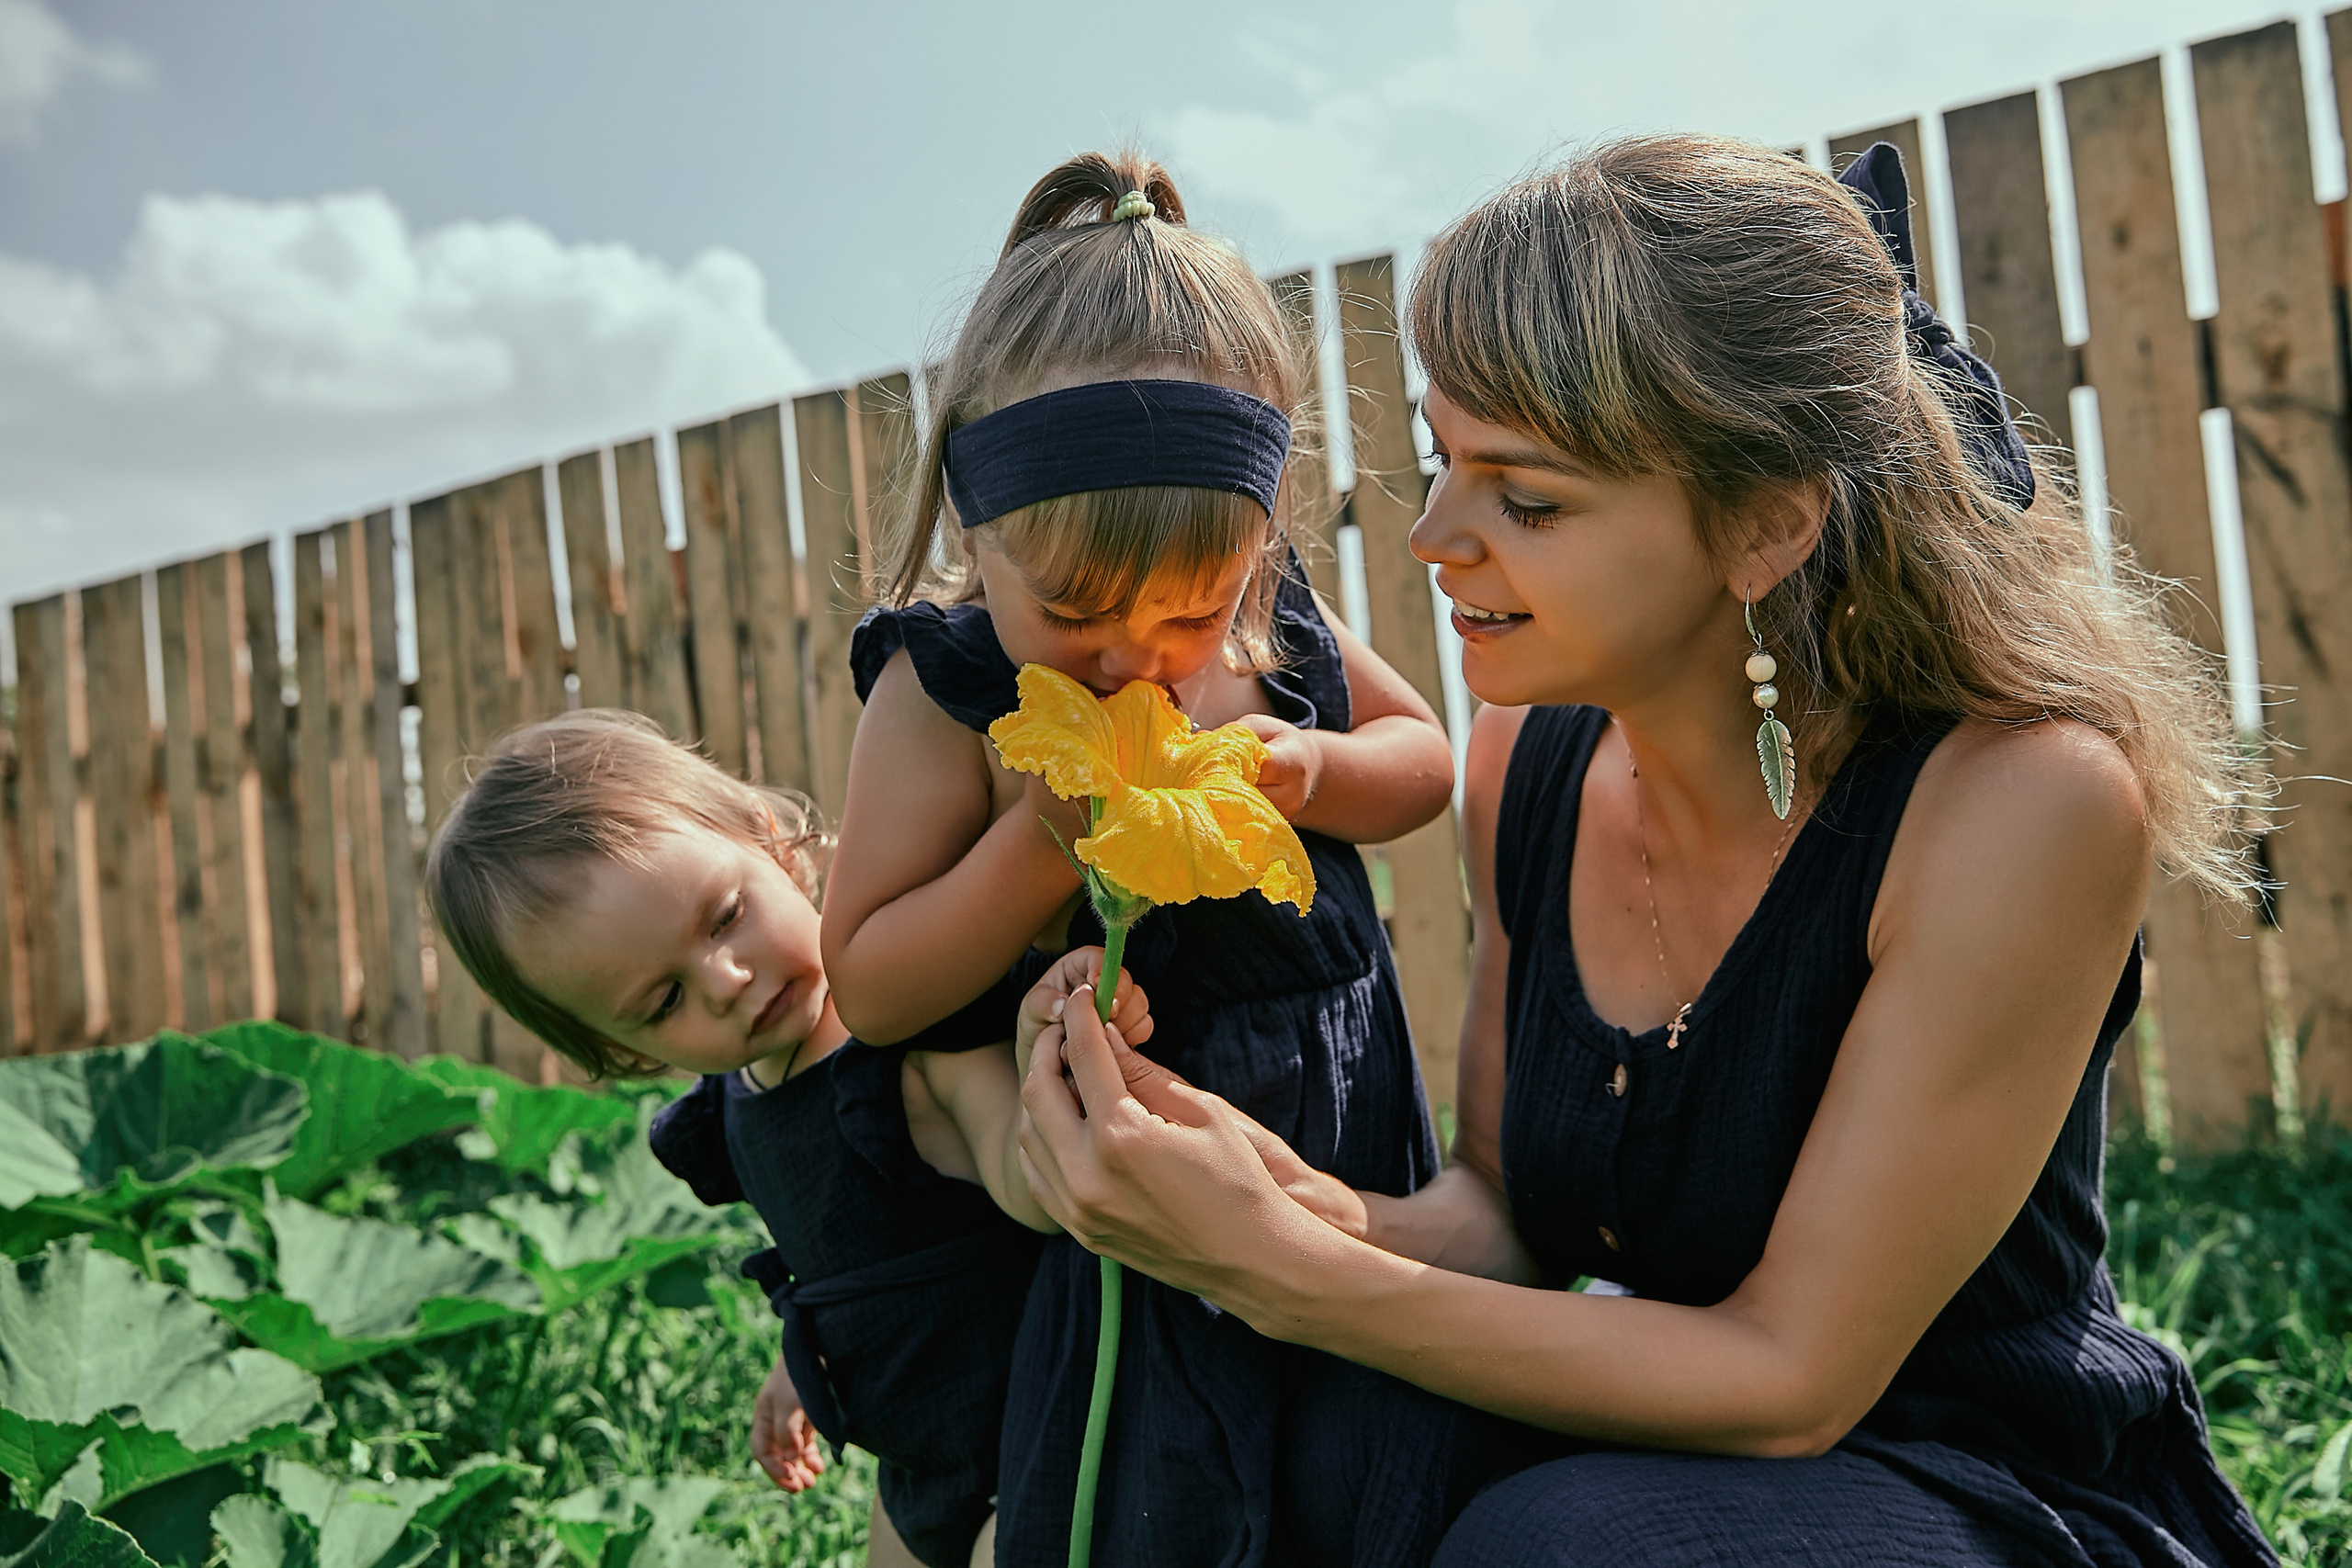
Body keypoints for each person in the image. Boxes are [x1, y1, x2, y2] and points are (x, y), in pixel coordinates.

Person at [1014, 138, 2279, 1567]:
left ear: (1766, 524)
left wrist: (1286, 1269)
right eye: (1443, 461)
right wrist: (1243, 1180)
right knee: (1344, 1436)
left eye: (1528, 499)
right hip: (1681, 1441)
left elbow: (1793, 1377)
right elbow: (1502, 1215)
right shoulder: (1527, 759)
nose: (1432, 535)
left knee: (1562, 1546)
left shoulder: (2023, 803)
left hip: (1994, 1486)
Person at [820, 152, 1458, 1566]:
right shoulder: (943, 692)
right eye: (1074, 612)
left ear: (1255, 543)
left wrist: (1311, 770)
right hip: (1139, 1202)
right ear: (978, 532)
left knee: (1372, 1482)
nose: (1133, 657)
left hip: (1346, 1135)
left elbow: (1424, 759)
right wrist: (1039, 841)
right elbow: (869, 978)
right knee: (1154, 1501)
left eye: (1189, 611)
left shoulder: (1271, 618)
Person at [422, 708, 1151, 1568]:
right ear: (621, 1050)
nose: (727, 979)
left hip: (1037, 1428)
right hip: (920, 1461)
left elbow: (1030, 1188)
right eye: (665, 1001)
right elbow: (848, 1261)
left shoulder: (904, 1029)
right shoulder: (736, 1106)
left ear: (771, 840)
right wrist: (803, 1360)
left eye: (724, 916)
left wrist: (1041, 1069)